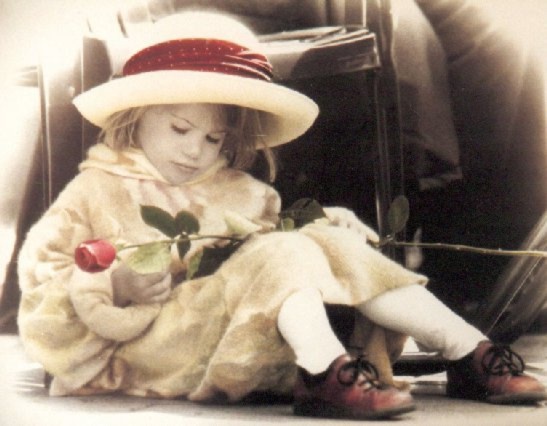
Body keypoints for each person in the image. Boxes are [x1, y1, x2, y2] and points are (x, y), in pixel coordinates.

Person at [17, 11, 545, 420]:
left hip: (245, 339)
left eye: (214, 138)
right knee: (281, 250)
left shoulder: (241, 192)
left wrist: (324, 229)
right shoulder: (95, 190)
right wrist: (112, 285)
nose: (196, 151)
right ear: (134, 117)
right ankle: (322, 372)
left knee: (324, 241)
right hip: (154, 348)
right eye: (180, 129)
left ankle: (467, 352)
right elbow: (41, 285)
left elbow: (277, 258)